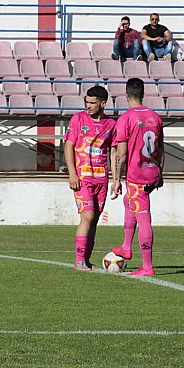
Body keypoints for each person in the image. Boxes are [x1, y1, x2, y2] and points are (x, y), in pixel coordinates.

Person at [111, 78, 164, 276]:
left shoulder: (125, 119)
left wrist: (116, 180)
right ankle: (126, 246)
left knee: (143, 217)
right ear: (143, 94)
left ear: (126, 95)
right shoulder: (155, 117)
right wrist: (161, 172)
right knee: (129, 202)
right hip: (152, 172)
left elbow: (121, 154)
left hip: (137, 176)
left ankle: (147, 266)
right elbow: (161, 148)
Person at [64, 86, 117, 270]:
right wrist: (72, 173)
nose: (88, 106)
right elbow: (69, 146)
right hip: (83, 177)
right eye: (86, 102)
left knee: (94, 219)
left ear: (103, 103)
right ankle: (79, 261)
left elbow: (114, 152)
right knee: (86, 217)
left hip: (101, 178)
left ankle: (86, 260)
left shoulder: (111, 124)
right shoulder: (78, 119)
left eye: (92, 103)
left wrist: (116, 178)